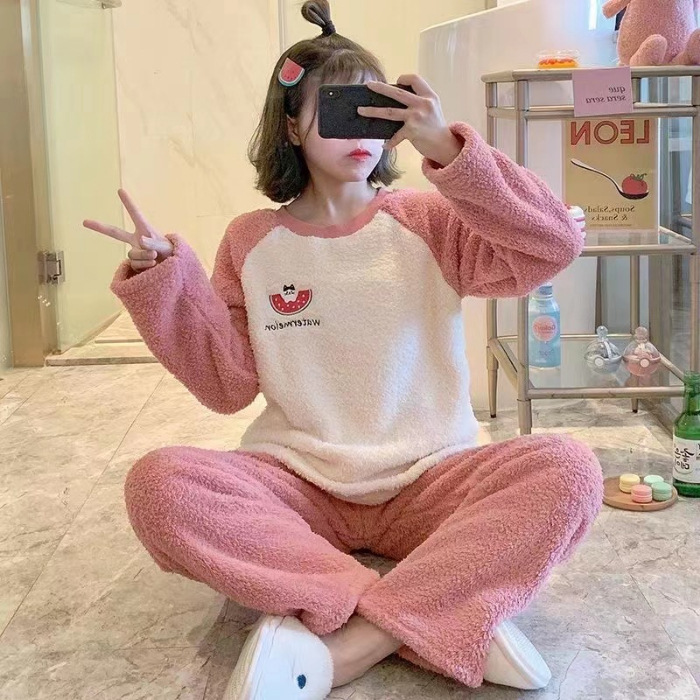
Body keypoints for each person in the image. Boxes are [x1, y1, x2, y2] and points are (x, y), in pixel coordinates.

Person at [84, 1, 603, 698]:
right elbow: (226, 385)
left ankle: (351, 645)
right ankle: (445, 611)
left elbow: (551, 244)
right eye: (337, 110)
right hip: (301, 484)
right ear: (292, 126)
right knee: (160, 485)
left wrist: (448, 149)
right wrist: (162, 281)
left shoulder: (428, 219)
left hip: (431, 477)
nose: (360, 130)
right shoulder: (251, 240)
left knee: (568, 470)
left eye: (373, 109)